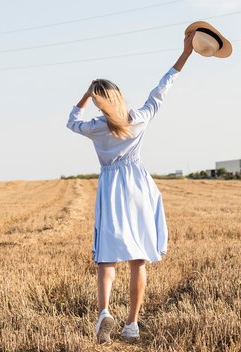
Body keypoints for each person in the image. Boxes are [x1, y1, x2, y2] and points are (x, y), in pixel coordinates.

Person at [65, 31, 195, 344]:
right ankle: (132, 324)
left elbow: (71, 121)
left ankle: (104, 312)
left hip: (111, 188)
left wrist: (85, 95)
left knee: (107, 258)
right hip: (138, 187)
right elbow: (163, 87)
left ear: (99, 103)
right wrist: (186, 53)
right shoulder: (139, 118)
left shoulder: (97, 127)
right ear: (120, 97)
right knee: (138, 260)